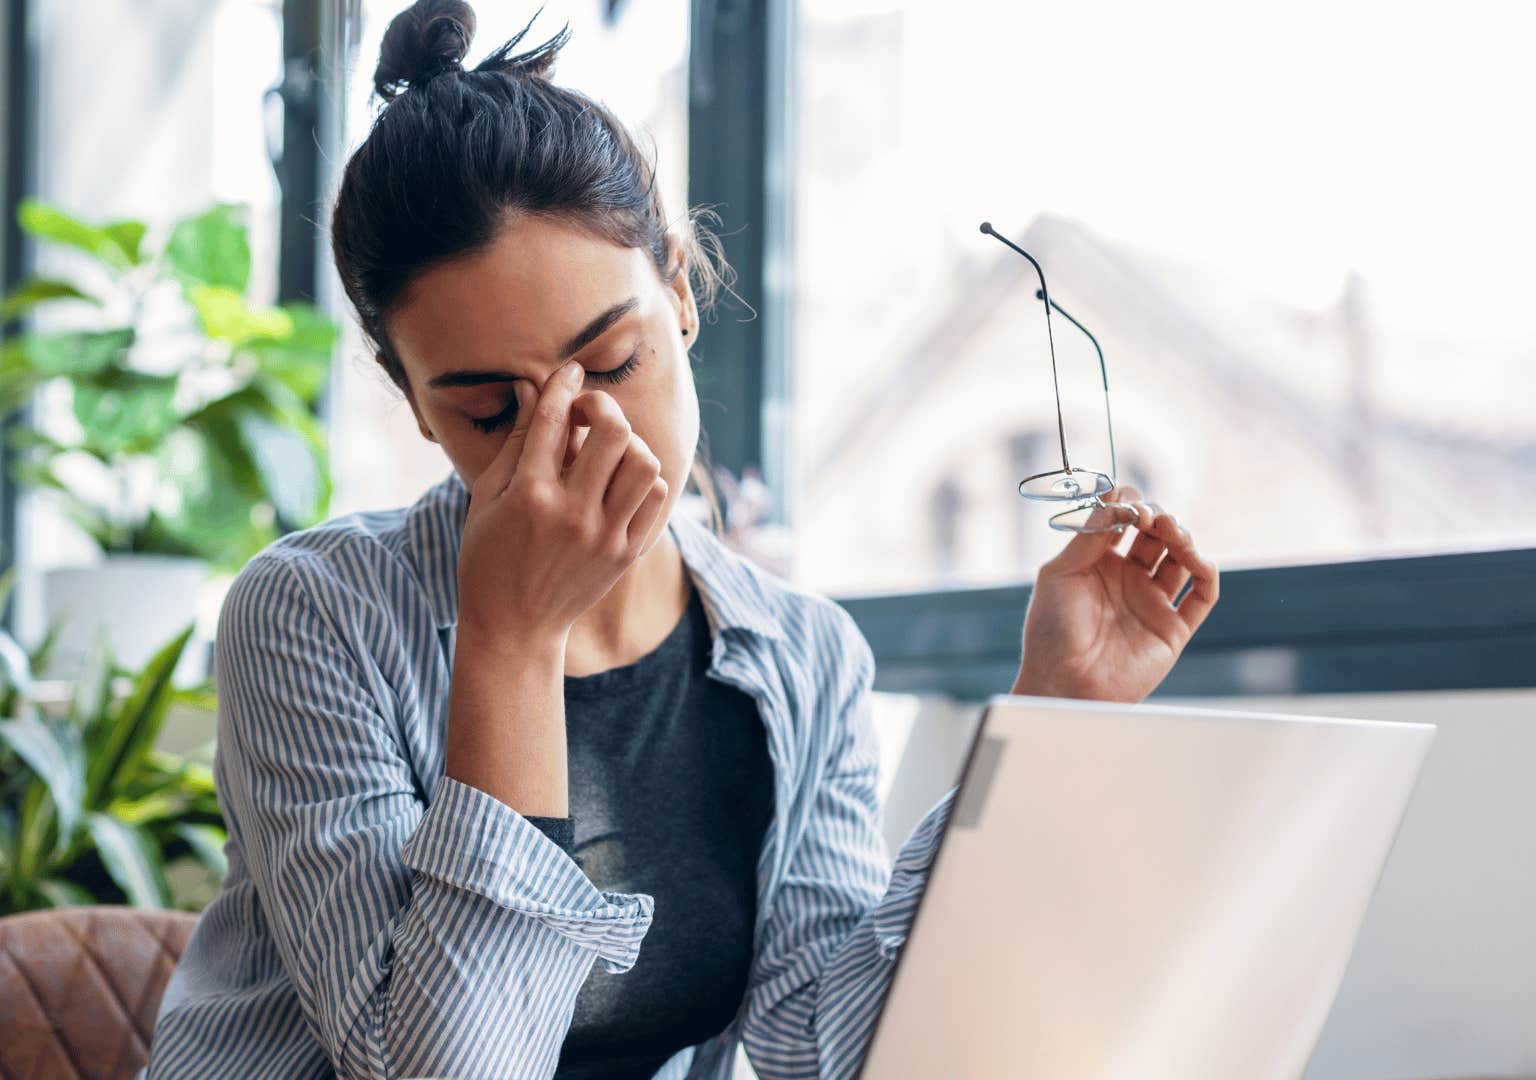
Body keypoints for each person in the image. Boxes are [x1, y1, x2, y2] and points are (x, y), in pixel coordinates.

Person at [146, 2, 1220, 1077]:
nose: (581, 435)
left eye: (611, 364)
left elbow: (825, 1048)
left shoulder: (804, 659)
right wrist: (510, 646)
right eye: (490, 413)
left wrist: (1050, 719)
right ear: (417, 405)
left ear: (678, 288)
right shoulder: (313, 615)